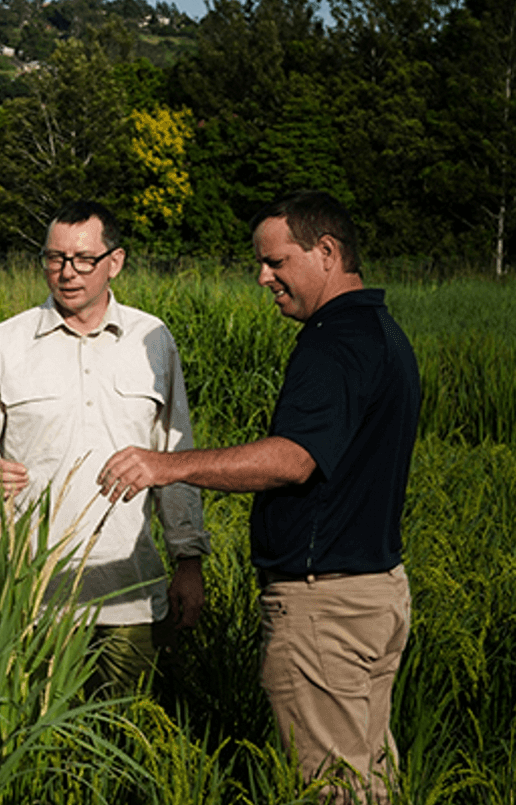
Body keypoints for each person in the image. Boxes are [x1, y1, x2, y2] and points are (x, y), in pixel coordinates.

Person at [98, 190, 419, 802]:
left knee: (331, 788)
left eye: (276, 262)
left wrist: (165, 466)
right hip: (376, 593)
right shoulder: (382, 331)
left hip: (325, 605)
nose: (263, 277)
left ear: (327, 251)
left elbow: (293, 459)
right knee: (367, 780)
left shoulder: (333, 342)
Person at [0, 200, 210, 695]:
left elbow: (175, 455)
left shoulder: (152, 340)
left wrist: (188, 561)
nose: (66, 273)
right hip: (31, 600)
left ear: (115, 262)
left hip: (129, 596)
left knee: (125, 724)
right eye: (54, 258)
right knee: (32, 726)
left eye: (83, 259)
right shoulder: (5, 343)